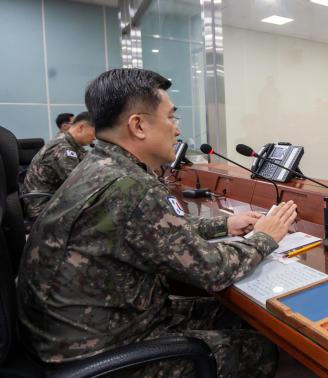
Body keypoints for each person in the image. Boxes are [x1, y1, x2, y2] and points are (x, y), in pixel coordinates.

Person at [17, 68, 297, 377]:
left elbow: (162, 228)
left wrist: (225, 226)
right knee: (263, 348)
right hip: (98, 351)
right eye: (171, 118)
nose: (177, 130)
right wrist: (265, 237)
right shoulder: (131, 187)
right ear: (138, 125)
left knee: (235, 314)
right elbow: (214, 271)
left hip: (78, 332)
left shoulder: (101, 167)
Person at [22, 111, 96, 219]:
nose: (95, 137)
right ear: (81, 127)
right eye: (95, 132)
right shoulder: (62, 147)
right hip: (42, 207)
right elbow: (77, 184)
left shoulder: (71, 144)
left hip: (54, 200)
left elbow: (92, 163)